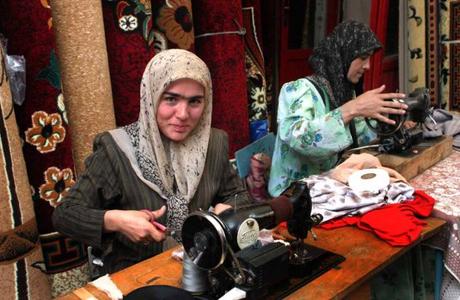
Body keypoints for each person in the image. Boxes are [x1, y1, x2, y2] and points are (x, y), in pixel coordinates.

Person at [52, 49, 251, 274]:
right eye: (171, 99)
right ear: (151, 96)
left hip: (203, 269)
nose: (183, 114)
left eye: (195, 101)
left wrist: (229, 208)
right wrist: (116, 220)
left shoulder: (214, 143)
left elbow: (239, 196)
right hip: (138, 276)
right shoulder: (115, 149)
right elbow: (64, 215)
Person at [268, 20, 408, 197]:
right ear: (344, 54)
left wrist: (385, 119)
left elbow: (359, 137)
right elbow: (299, 139)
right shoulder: (297, 90)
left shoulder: (343, 94)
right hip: (292, 194)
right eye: (363, 58)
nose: (368, 66)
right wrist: (351, 109)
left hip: (327, 186)